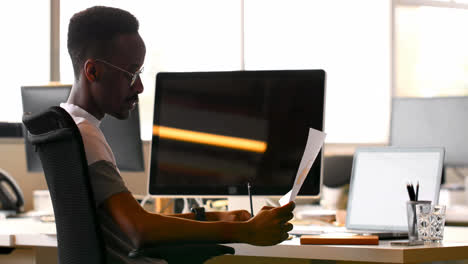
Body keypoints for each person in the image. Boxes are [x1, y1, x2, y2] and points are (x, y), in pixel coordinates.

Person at [61, 5, 295, 264]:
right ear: (92, 71)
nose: (139, 86)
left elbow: (134, 221)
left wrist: (216, 217)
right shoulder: (85, 134)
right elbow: (140, 231)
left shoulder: (67, 126)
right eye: (131, 74)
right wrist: (246, 232)